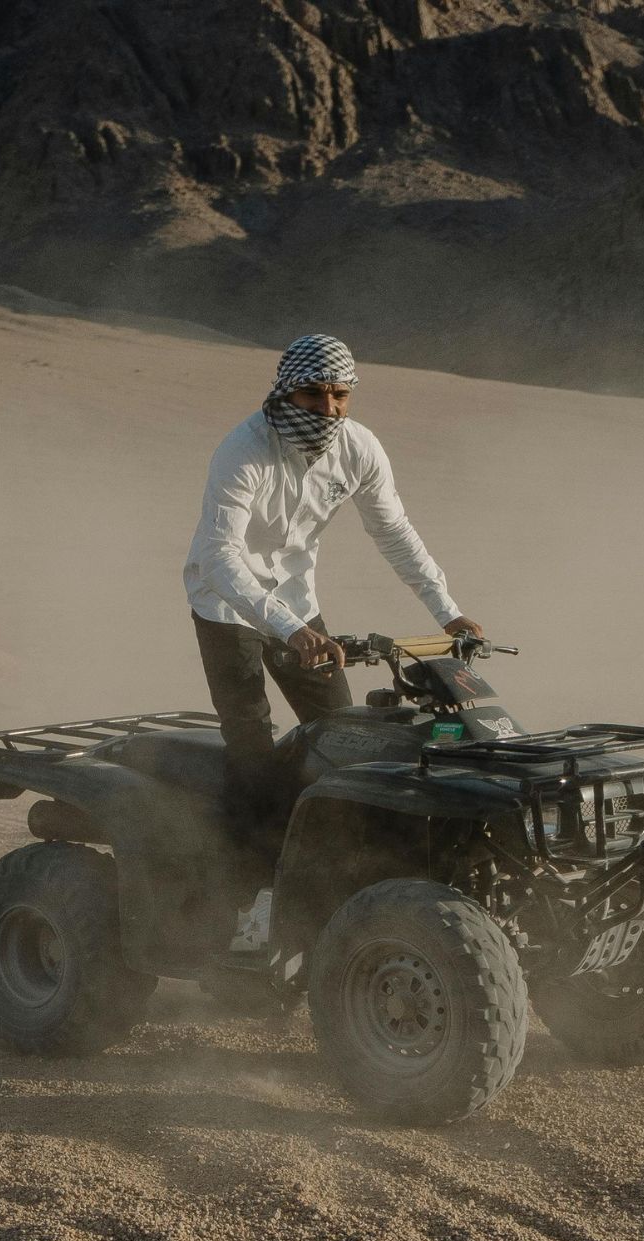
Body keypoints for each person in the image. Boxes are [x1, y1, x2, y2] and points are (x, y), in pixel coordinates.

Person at [183, 333, 482, 890]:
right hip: (227, 606)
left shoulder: (360, 448)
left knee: (344, 735)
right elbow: (219, 557)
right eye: (315, 395)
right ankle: (248, 896)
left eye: (340, 396)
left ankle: (335, 868)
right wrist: (290, 631)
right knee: (250, 742)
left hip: (297, 603)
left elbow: (394, 532)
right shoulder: (242, 449)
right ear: (286, 393)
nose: (328, 409)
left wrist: (448, 612)